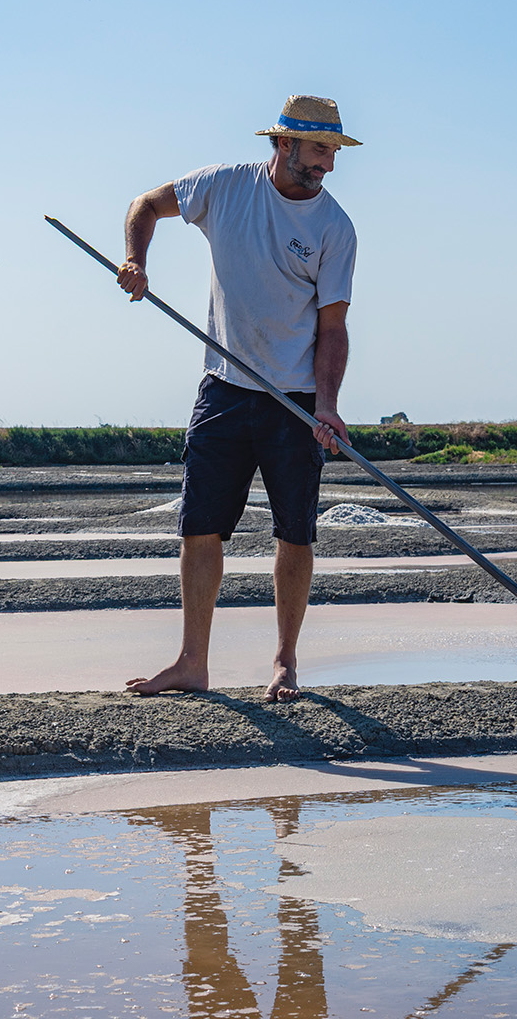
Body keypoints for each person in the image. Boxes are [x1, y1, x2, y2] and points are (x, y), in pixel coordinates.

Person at [115, 94, 361, 703]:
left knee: (295, 533)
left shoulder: (335, 228)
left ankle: (284, 662)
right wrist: (134, 261)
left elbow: (333, 328)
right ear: (282, 144)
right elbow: (146, 205)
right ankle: (192, 662)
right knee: (200, 526)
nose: (327, 165)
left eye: (333, 152)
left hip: (296, 399)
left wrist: (326, 405)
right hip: (223, 387)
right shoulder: (224, 188)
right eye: (318, 151)